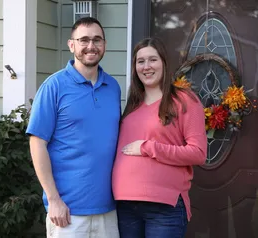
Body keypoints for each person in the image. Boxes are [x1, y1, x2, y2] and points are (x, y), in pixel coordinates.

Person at [26, 17, 121, 238]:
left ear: (104, 45)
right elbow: (37, 143)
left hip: (108, 209)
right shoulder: (54, 86)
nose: (91, 46)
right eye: (84, 40)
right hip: (67, 212)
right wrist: (53, 200)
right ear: (72, 45)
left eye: (97, 40)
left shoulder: (113, 87)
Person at [112, 37, 207, 238]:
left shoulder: (184, 100)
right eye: (140, 61)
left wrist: (148, 147)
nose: (146, 66)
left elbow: (198, 153)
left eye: (152, 60)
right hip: (125, 205)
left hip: (164, 207)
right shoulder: (132, 105)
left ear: (164, 62)